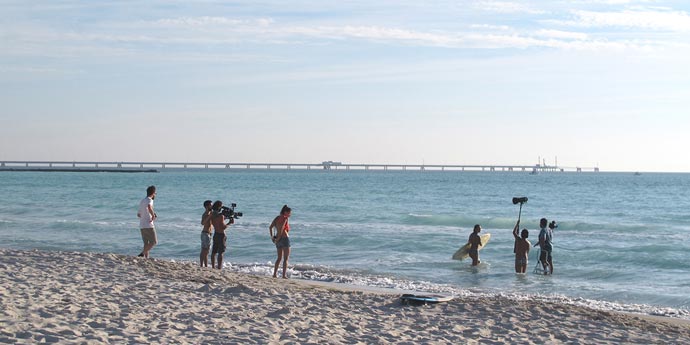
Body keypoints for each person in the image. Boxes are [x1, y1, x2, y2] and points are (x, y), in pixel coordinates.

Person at [269, 205, 292, 278]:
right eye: (289, 213)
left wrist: (272, 237)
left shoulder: (277, 218)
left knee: (279, 258)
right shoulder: (285, 218)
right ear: (285, 212)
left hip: (277, 240)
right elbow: (282, 228)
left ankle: (274, 274)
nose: (290, 214)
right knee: (285, 259)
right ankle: (284, 275)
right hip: (284, 238)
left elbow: (270, 227)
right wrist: (279, 237)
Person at [210, 200, 234, 270]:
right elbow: (223, 227)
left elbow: (217, 222)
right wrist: (229, 223)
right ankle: (219, 267)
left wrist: (225, 217)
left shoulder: (212, 215)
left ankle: (213, 267)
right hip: (221, 235)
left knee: (214, 252)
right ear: (219, 207)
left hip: (215, 234)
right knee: (221, 253)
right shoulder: (221, 216)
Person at [136, 185, 157, 258]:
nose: (155, 195)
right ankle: (142, 254)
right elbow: (149, 207)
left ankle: (146, 258)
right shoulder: (150, 200)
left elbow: (138, 214)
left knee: (146, 243)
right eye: (155, 193)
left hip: (142, 225)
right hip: (148, 224)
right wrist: (153, 215)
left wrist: (148, 214)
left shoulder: (142, 201)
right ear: (153, 193)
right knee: (154, 242)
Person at [200, 200, 214, 268]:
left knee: (205, 250)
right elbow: (202, 223)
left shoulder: (211, 213)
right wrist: (209, 216)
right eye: (210, 205)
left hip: (209, 233)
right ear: (206, 206)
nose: (212, 206)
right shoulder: (205, 214)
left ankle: (203, 265)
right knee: (205, 251)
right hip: (205, 233)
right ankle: (204, 265)